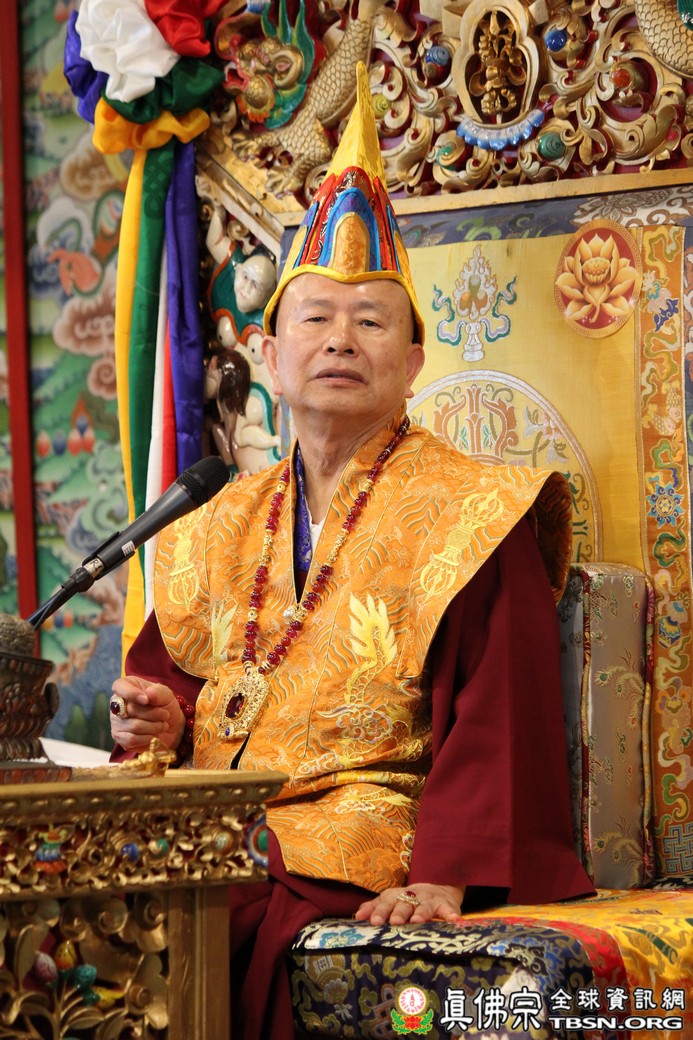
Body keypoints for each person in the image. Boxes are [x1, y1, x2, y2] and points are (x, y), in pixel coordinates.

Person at [110, 63, 593, 1040]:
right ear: (270, 355)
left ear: (413, 361)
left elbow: (497, 714)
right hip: (216, 834)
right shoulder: (218, 516)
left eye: (371, 320)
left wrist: (445, 874)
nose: (340, 339)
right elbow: (167, 696)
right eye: (316, 318)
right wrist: (156, 724)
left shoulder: (474, 511)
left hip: (359, 840)